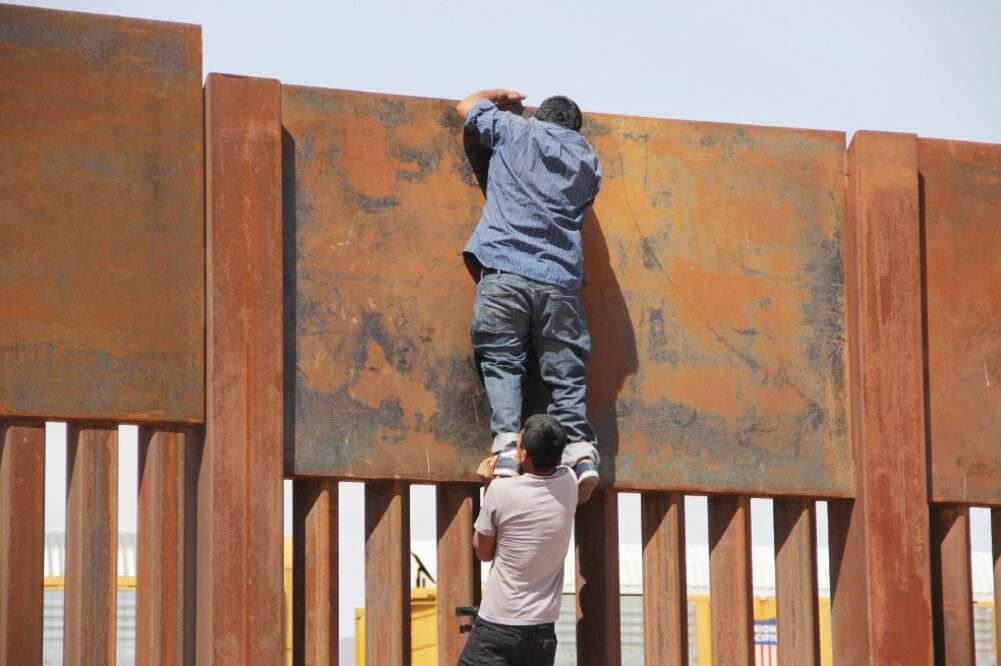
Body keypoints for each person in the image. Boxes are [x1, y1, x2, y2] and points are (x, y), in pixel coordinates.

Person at [455, 88, 603, 504]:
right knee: (565, 374)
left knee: (503, 362)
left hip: (505, 272)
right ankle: (581, 456)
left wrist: (499, 95)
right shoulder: (589, 161)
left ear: (541, 118)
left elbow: (465, 106)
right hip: (560, 284)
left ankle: (506, 451)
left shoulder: (516, 131)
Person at [458, 414, 577, 666]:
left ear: (523, 456)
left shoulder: (501, 491)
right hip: (542, 632)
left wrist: (488, 485)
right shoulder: (570, 483)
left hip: (499, 626)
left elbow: (483, 552)